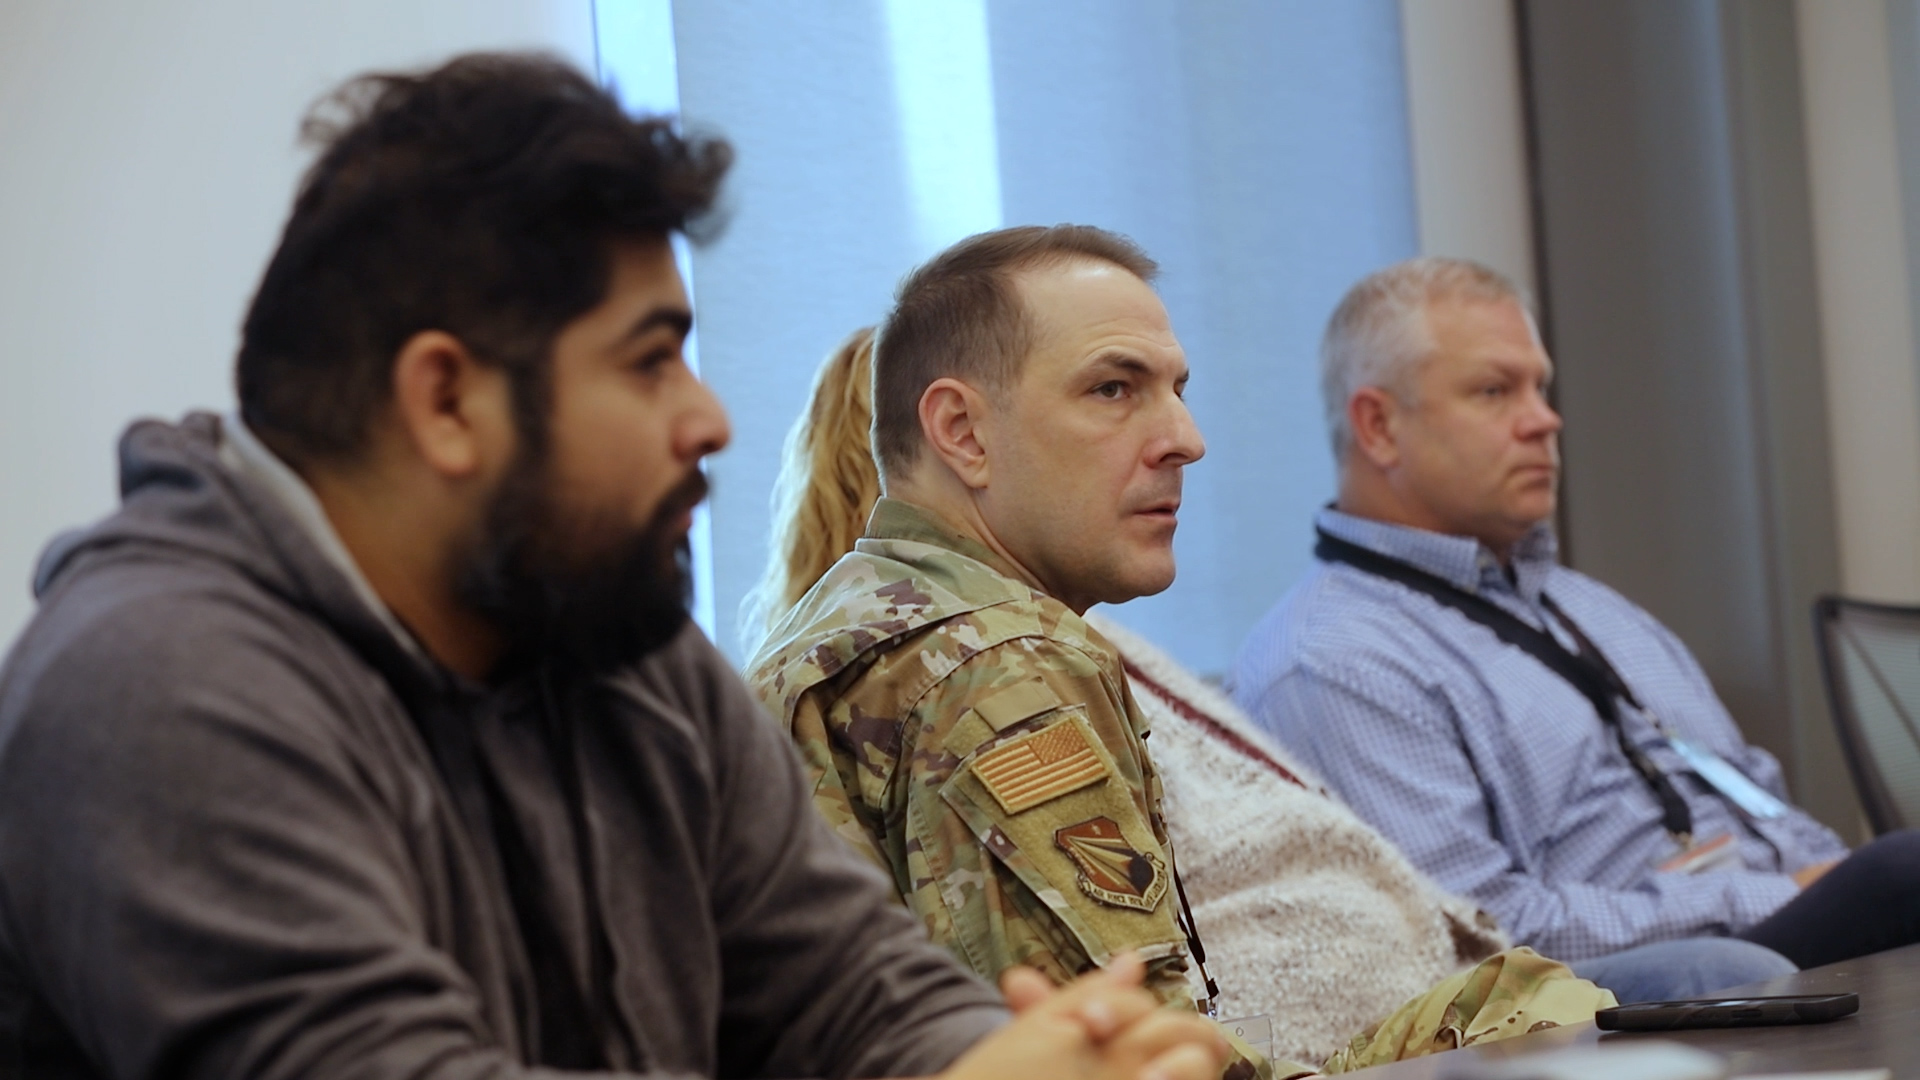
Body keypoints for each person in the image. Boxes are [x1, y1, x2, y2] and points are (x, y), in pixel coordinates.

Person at [0, 54, 1235, 1080]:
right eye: (650, 360)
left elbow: (856, 996)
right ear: (446, 401)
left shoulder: (619, 652)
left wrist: (1033, 1059)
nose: (709, 418)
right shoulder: (159, 688)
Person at [745, 310, 1787, 1063]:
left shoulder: (1040, 641)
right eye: (1112, 392)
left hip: (1380, 1007)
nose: (1183, 441)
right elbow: (1134, 1044)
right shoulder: (991, 668)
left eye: (1171, 390)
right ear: (957, 442)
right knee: (1679, 987)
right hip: (1330, 1037)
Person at [1231, 256, 1920, 974]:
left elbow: (1763, 803)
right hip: (1641, 995)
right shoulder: (1333, 659)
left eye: (1541, 388)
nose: (1544, 420)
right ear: (1378, 426)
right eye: (1495, 391)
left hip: (1785, 946)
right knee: (1903, 872)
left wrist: (1831, 883)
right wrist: (1793, 895)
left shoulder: (1591, 607)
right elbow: (1472, 936)